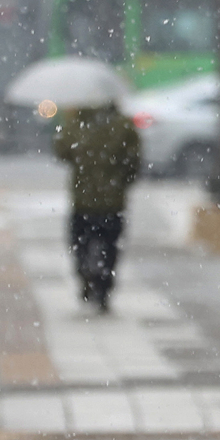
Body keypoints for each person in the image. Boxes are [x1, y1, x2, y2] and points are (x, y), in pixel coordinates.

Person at [53, 103, 141, 313]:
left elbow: (61, 152)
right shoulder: (123, 125)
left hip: (82, 200)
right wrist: (121, 181)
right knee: (111, 247)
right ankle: (103, 287)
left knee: (78, 243)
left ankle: (85, 275)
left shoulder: (76, 122)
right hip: (113, 201)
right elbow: (134, 161)